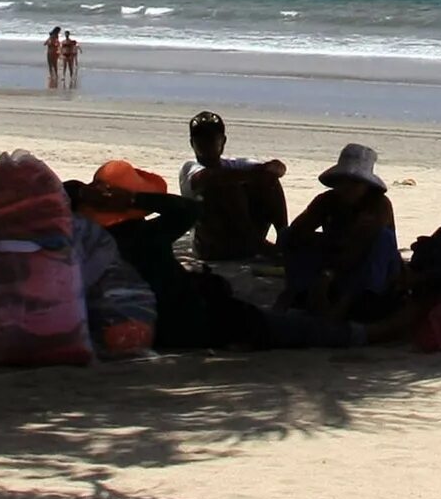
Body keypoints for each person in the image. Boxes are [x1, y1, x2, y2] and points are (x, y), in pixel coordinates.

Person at [74, 169, 363, 351]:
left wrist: (84, 193)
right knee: (287, 328)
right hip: (193, 324)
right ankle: (361, 333)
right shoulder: (146, 235)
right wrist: (134, 199)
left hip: (158, 330)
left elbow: (63, 191)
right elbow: (189, 209)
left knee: (273, 319)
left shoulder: (86, 236)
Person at [281, 142, 403, 323]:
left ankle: (362, 299)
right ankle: (301, 291)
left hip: (370, 271)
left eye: (355, 183)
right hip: (337, 261)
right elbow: (298, 231)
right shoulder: (326, 201)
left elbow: (360, 245)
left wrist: (328, 273)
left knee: (383, 239)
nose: (348, 188)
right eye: (344, 181)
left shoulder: (378, 205)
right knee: (286, 235)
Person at [181, 111, 291, 260]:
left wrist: (263, 174)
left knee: (269, 182)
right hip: (211, 244)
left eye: (211, 139)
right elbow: (205, 179)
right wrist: (250, 176)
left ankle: (283, 238)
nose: (206, 144)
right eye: (200, 139)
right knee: (225, 185)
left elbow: (278, 168)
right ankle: (260, 246)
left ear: (223, 141)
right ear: (192, 143)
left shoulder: (232, 164)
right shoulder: (190, 167)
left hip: (242, 237)